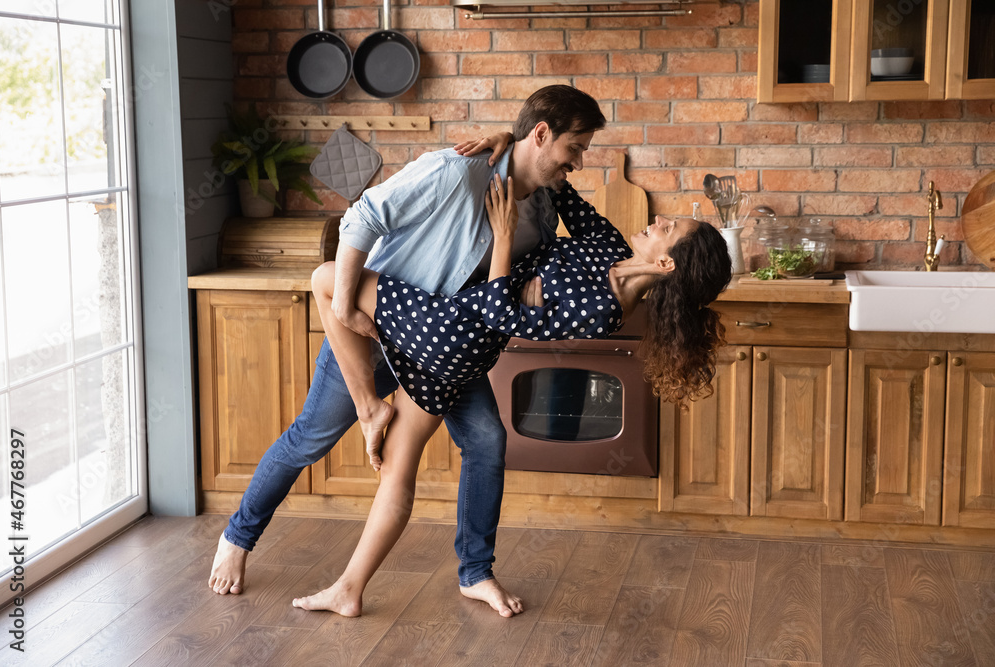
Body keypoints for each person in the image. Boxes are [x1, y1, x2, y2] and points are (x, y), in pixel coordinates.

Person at [208, 85, 607, 618]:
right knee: (310, 438)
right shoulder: (455, 172)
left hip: (445, 352)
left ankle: (475, 573)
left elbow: (501, 289)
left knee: (487, 441)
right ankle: (237, 539)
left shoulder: (544, 209)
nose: (578, 163)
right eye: (574, 148)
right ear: (540, 134)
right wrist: (344, 303)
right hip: (374, 335)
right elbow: (363, 216)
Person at [290, 153, 733, 616]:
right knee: (404, 468)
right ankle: (356, 588)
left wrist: (504, 237)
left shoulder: (606, 309)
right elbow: (557, 183)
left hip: (453, 331)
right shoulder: (609, 245)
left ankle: (368, 407)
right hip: (460, 339)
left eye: (668, 228)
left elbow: (502, 315)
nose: (658, 220)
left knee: (326, 278)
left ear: (665, 263)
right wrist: (507, 142)